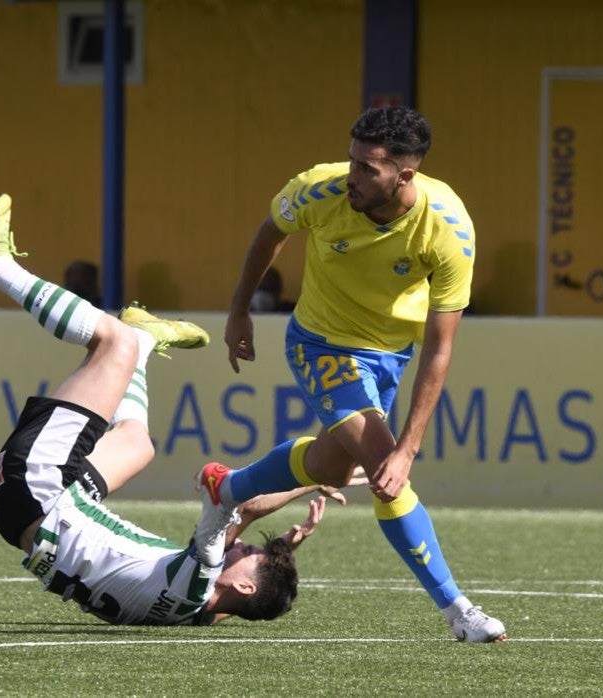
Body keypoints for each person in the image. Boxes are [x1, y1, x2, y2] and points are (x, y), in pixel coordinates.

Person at [0, 193, 334, 626]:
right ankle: (142, 338)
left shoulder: (202, 575)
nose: (239, 544)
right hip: (23, 515)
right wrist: (283, 550)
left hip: (39, 487)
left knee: (113, 342)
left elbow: (241, 503)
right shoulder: (193, 612)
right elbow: (232, 601)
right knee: (137, 445)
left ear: (245, 586)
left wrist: (317, 470)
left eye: (248, 553)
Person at [215, 106, 506, 643]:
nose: (351, 175)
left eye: (367, 169)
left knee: (329, 464)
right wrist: (238, 310)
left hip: (390, 353)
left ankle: (230, 488)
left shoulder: (448, 231)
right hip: (320, 343)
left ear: (405, 174)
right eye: (351, 160)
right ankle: (458, 611)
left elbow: (439, 349)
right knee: (381, 466)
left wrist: (411, 447)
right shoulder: (319, 190)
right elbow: (270, 232)